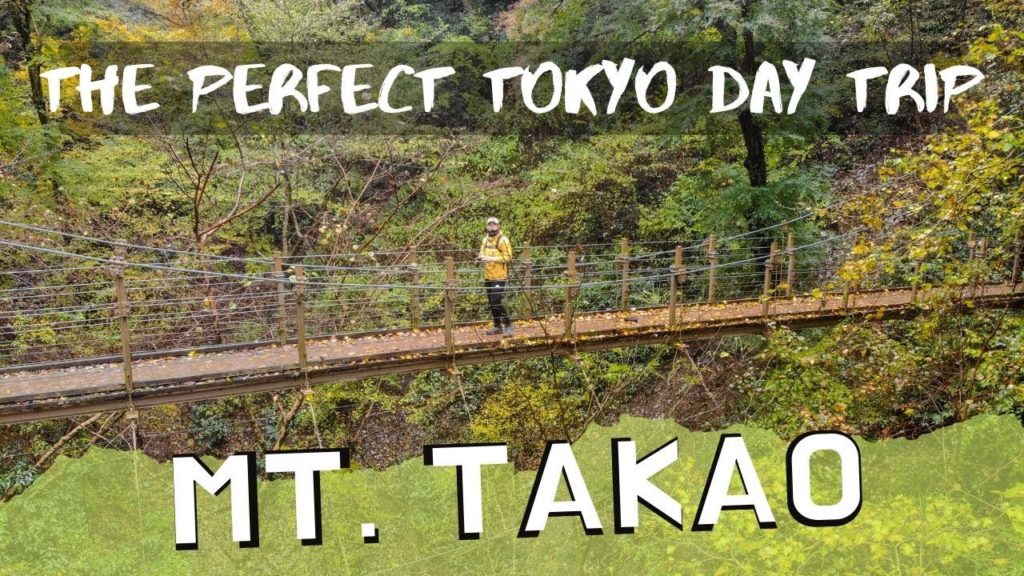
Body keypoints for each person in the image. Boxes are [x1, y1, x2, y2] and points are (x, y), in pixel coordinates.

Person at [478, 216, 513, 336]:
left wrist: (491, 258)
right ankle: (497, 326)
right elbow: (482, 253)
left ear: (498, 226)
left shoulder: (503, 240)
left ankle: (508, 324)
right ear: (486, 226)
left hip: (499, 276)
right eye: (490, 225)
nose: (492, 227)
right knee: (491, 302)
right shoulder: (485, 240)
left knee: (496, 300)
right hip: (488, 276)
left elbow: (508, 257)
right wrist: (480, 258)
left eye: (494, 224)